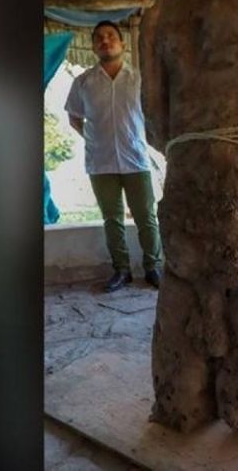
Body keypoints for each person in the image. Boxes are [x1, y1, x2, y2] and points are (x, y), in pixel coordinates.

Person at [65, 20, 163, 292]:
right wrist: (93, 139)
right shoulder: (83, 82)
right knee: (112, 219)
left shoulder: (140, 80)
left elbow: (154, 116)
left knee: (146, 217)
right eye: (99, 38)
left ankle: (152, 267)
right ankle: (121, 271)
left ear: (121, 43)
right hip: (100, 162)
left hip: (136, 160)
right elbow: (74, 117)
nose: (104, 41)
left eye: (110, 36)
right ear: (94, 46)